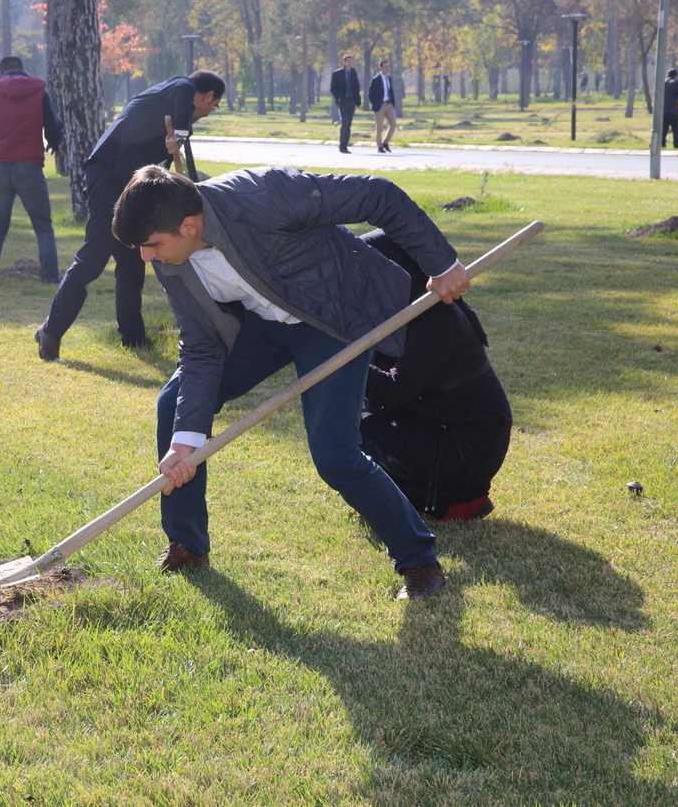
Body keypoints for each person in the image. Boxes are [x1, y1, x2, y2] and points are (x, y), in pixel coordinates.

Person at [111, 165, 471, 600]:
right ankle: (188, 545)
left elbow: (378, 194)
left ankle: (419, 562)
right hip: (265, 321)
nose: (146, 258)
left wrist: (442, 263)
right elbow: (203, 347)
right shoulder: (172, 256)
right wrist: (185, 441)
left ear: (189, 225)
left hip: (332, 317)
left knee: (335, 455)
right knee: (176, 405)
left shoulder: (264, 194)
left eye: (151, 246)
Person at [34, 71, 225, 361]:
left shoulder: (174, 100)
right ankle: (50, 332)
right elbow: (182, 103)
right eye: (215, 105)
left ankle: (133, 337)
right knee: (93, 257)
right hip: (109, 173)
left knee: (132, 258)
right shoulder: (181, 87)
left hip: (129, 178)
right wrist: (180, 135)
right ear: (207, 95)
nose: (211, 111)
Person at [359, 232, 512, 522]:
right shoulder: (398, 309)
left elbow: (392, 391)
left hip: (464, 448)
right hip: (435, 427)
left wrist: (342, 358)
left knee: (349, 426)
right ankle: (415, 493)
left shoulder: (437, 317)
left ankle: (445, 498)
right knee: (343, 411)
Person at [0, 56, 64, 284]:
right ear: (23, 70)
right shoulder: (39, 93)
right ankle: (50, 276)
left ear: (1, 73)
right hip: (29, 165)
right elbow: (52, 124)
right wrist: (55, 142)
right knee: (43, 225)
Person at [329, 54, 361, 154]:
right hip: (342, 101)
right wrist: (338, 98)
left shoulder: (353, 72)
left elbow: (356, 86)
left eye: (352, 61)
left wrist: (357, 99)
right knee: (345, 122)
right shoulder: (337, 73)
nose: (350, 63)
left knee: (349, 124)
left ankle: (345, 146)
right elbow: (333, 88)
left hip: (352, 100)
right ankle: (341, 145)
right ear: (344, 62)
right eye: (348, 61)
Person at [368, 60, 398, 153]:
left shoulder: (389, 78)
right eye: (385, 67)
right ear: (380, 68)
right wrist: (376, 103)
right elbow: (370, 94)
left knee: (393, 125)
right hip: (380, 105)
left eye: (388, 67)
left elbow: (390, 91)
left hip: (389, 104)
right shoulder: (375, 79)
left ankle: (385, 142)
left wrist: (392, 103)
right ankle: (379, 146)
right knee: (379, 128)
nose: (387, 69)